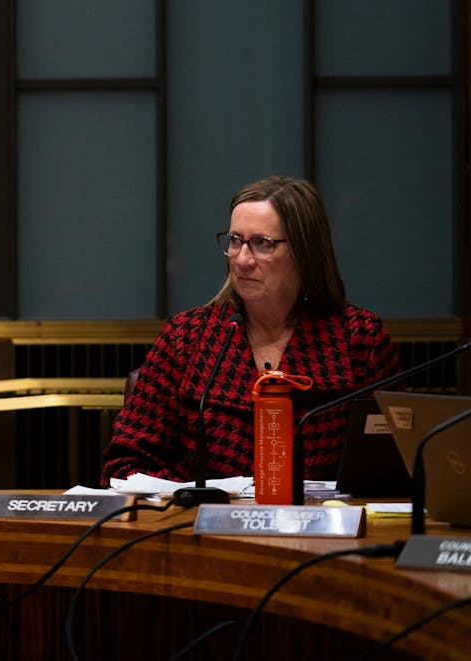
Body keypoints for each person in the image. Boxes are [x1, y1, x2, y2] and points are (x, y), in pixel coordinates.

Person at [102, 175, 399, 485]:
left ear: (304, 251)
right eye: (234, 240)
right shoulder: (186, 338)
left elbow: (393, 467)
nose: (242, 260)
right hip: (199, 526)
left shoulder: (359, 338)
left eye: (262, 243)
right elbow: (124, 462)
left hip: (321, 528)